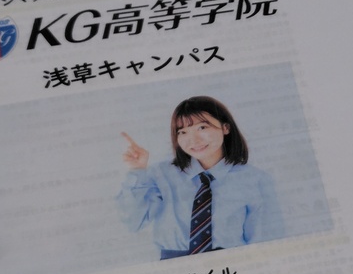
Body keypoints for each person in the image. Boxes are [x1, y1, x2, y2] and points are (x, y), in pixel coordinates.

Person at [118, 95, 284, 259]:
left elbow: (264, 242)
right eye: (183, 132)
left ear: (225, 128)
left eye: (202, 128)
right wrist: (137, 171)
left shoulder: (255, 179)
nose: (194, 140)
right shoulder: (161, 175)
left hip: (232, 265)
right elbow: (133, 223)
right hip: (174, 268)